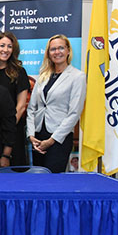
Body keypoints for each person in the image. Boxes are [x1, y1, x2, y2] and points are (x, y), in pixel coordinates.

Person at [27, 34, 86, 173]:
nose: (57, 52)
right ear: (48, 53)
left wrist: (51, 140)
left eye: (61, 48)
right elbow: (31, 108)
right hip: (38, 137)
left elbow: (74, 113)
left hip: (59, 138)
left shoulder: (77, 77)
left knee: (52, 181)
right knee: (38, 179)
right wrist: (31, 135)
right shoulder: (43, 75)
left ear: (68, 51)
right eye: (53, 49)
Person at [0, 31, 30, 166]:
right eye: (2, 46)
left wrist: (8, 127)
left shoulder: (19, 72)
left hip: (12, 131)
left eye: (9, 46)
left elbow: (21, 105)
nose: (5, 50)